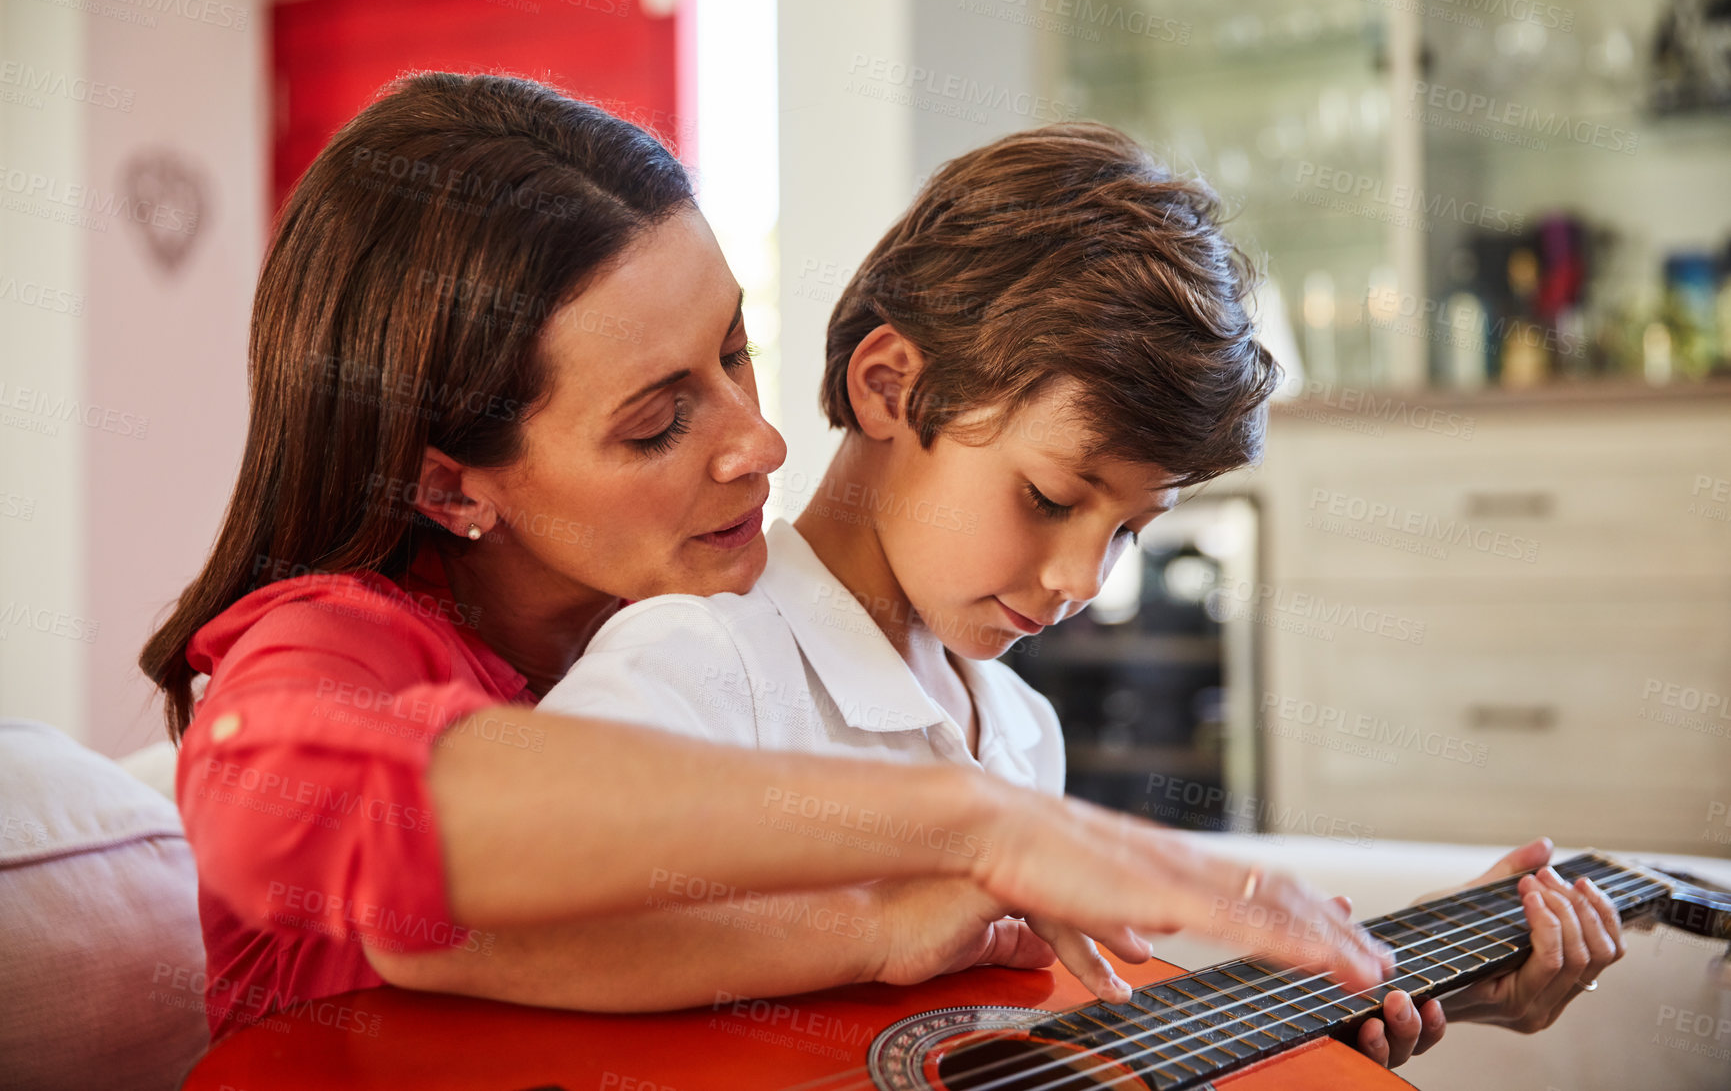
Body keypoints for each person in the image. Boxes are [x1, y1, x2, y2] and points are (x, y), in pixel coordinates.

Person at [140, 74, 1389, 1046]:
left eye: (734, 353)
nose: (764, 441)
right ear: (448, 483)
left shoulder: (659, 620)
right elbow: (286, 807)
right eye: (657, 419)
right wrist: (973, 822)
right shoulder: (337, 641)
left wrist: (887, 920)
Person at [539, 122, 1627, 1068]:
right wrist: (872, 919)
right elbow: (485, 924)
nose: (1081, 581)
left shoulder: (1021, 731)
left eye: (1126, 533)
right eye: (1052, 494)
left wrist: (1383, 986)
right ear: (889, 385)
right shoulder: (703, 657)